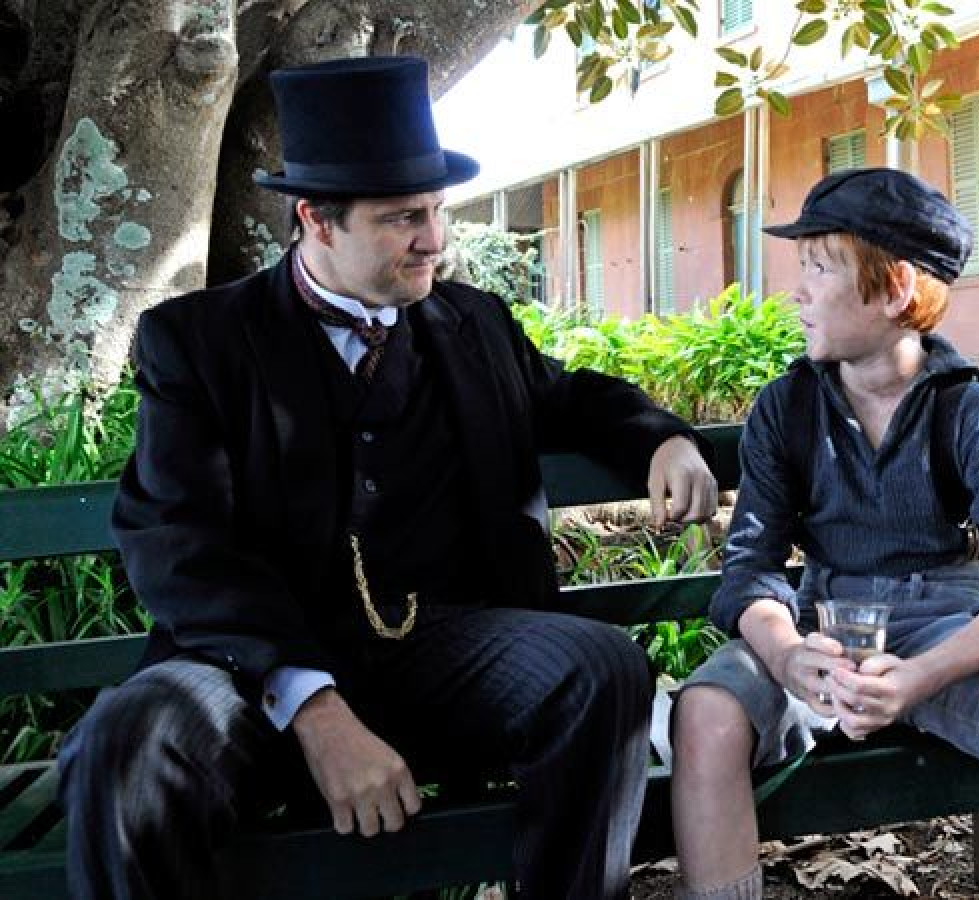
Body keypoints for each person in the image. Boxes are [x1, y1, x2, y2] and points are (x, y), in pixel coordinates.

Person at [57, 55, 718, 900]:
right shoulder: (199, 342)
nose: (435, 239)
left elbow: (569, 397)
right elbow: (178, 540)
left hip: (440, 655)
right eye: (404, 217)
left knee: (603, 669)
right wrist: (314, 706)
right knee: (127, 743)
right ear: (317, 220)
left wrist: (662, 439)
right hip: (252, 673)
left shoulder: (472, 322)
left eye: (438, 210)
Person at [668, 168, 979, 900]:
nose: (797, 292)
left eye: (820, 268)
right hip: (820, 628)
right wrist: (785, 656)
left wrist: (917, 678)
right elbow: (749, 569)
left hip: (949, 628)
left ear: (896, 287)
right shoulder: (787, 409)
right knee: (707, 714)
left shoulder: (971, 414)